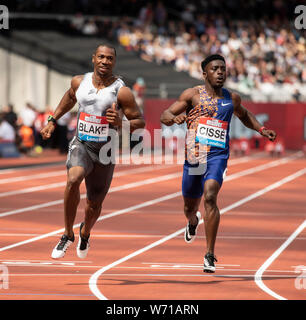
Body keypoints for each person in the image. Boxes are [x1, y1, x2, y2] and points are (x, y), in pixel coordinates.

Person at [160, 54, 276, 273]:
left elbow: (244, 115)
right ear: (205, 73)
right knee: (189, 207)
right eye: (215, 69)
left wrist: (262, 130)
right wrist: (173, 118)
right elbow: (165, 114)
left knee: (211, 196)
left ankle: (210, 254)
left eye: (223, 68)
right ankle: (192, 222)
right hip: (194, 159)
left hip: (217, 157)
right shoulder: (192, 95)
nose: (221, 72)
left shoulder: (232, 98)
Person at [41, 44, 145, 259]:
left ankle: (85, 232)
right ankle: (67, 234)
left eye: (109, 58)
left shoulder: (121, 91)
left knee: (94, 202)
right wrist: (52, 120)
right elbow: (70, 98)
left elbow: (140, 121)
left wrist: (121, 122)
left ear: (114, 62)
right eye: (101, 57)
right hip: (82, 144)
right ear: (93, 59)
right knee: (73, 178)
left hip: (106, 150)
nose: (105, 61)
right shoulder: (80, 81)